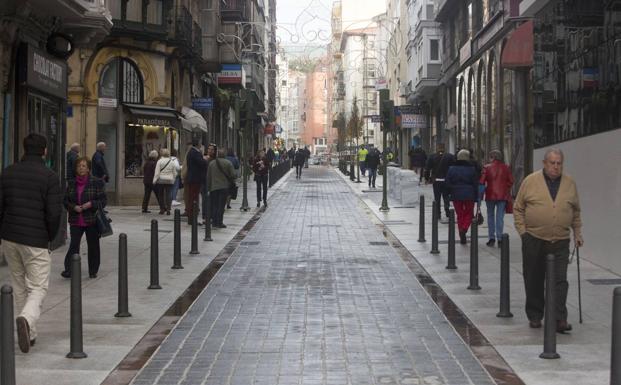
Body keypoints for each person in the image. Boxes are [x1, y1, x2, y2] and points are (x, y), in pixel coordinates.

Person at [0, 133, 62, 353]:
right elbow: (54, 213)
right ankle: (26, 319)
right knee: (38, 286)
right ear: (44, 151)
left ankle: (30, 334)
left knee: (18, 285)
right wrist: (50, 237)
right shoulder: (49, 176)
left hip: (10, 237)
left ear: (24, 149)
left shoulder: (7, 173)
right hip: (35, 239)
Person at [514, 148, 582, 333]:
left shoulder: (569, 183)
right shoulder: (530, 181)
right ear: (544, 163)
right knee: (534, 278)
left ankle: (559, 318)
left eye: (559, 163)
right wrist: (523, 233)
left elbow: (575, 211)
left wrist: (578, 233)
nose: (555, 166)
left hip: (560, 240)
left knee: (560, 280)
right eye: (552, 163)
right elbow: (518, 208)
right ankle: (535, 315)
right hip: (534, 239)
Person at [61, 156, 107, 279]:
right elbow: (65, 201)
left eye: (83, 166)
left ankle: (93, 270)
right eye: (79, 166)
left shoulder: (96, 182)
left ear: (88, 169)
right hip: (76, 219)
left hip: (91, 219)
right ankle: (69, 269)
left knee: (93, 246)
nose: (81, 168)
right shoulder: (71, 183)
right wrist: (73, 207)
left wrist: (91, 204)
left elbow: (103, 201)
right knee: (74, 245)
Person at [480, 150, 514, 247]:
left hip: (490, 195)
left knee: (490, 216)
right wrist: (505, 187)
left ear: (492, 157)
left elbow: (481, 182)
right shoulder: (506, 167)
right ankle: (500, 238)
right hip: (502, 195)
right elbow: (511, 181)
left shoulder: (486, 167)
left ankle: (491, 238)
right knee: (500, 217)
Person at [446, 149, 479, 244]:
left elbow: (447, 182)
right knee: (468, 213)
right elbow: (475, 184)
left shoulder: (451, 168)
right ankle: (464, 229)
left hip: (456, 194)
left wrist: (450, 191)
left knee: (459, 213)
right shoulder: (472, 169)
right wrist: (476, 196)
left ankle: (461, 229)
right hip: (469, 194)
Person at [207, 149, 236, 228]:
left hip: (214, 188)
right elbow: (233, 175)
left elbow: (208, 177)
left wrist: (208, 188)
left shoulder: (211, 163)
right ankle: (219, 222)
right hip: (224, 187)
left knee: (214, 205)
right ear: (224, 155)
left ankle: (214, 222)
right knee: (221, 205)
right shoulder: (228, 163)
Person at [426, 143, 456, 220]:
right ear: (444, 148)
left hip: (436, 181)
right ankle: (447, 211)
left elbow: (427, 168)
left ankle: (438, 213)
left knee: (437, 198)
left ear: (437, 148)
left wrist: (427, 178)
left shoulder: (432, 157)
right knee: (446, 196)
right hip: (446, 180)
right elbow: (453, 168)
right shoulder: (450, 156)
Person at [184, 137, 207, 224]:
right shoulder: (195, 153)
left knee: (193, 198)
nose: (201, 144)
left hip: (193, 178)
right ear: (198, 144)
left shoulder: (192, 152)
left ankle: (192, 217)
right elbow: (202, 163)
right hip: (195, 179)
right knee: (193, 199)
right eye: (200, 142)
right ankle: (192, 219)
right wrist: (205, 160)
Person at [153, 148, 179, 215]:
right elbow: (175, 173)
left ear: (162, 154)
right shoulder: (172, 162)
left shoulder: (159, 161)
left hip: (161, 180)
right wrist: (173, 179)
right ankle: (168, 209)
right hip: (169, 180)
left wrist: (154, 180)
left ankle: (162, 209)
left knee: (160, 195)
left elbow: (157, 172)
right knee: (169, 195)